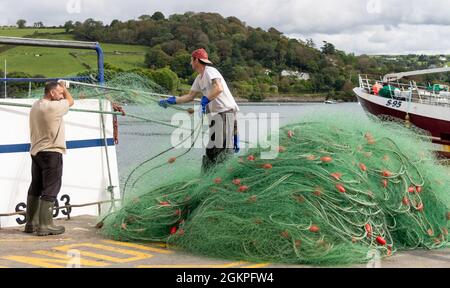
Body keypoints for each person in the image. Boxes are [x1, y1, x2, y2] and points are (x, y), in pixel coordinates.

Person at [159, 48, 239, 172]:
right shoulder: (199, 78)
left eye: (191, 60)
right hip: (217, 116)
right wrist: (171, 101)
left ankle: (221, 176)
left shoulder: (210, 71)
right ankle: (209, 177)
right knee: (212, 150)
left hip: (225, 113)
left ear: (196, 60)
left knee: (219, 149)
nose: (190, 63)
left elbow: (219, 88)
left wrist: (206, 98)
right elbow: (190, 96)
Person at [24, 81, 74, 236]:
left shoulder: (35, 106)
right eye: (58, 93)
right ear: (52, 93)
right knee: (51, 187)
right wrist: (65, 89)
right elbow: (71, 101)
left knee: (36, 186)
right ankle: (46, 225)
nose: (61, 96)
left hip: (36, 152)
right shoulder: (54, 107)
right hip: (51, 152)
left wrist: (60, 89)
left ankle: (31, 223)